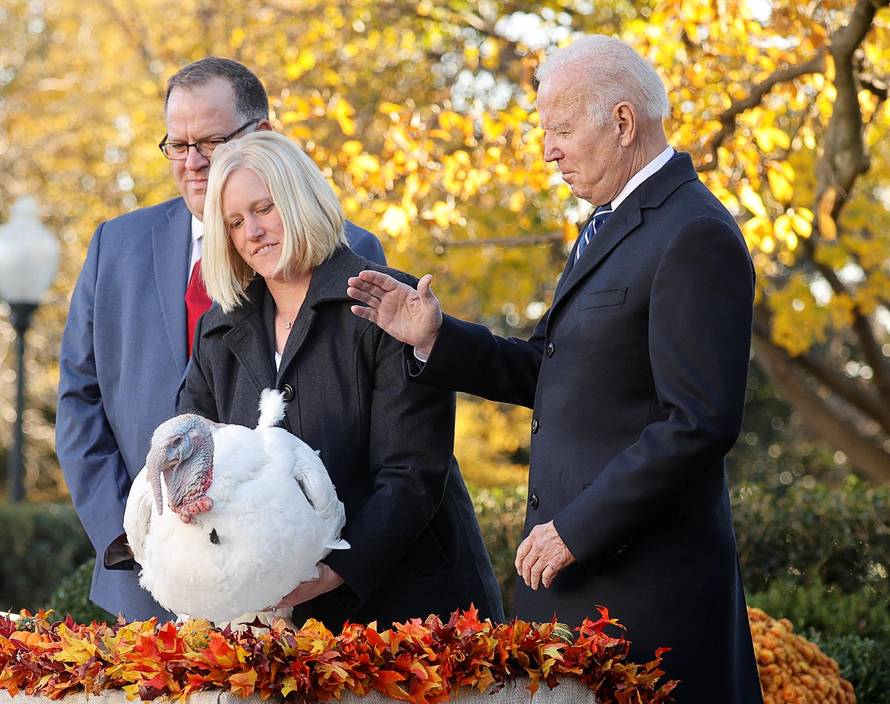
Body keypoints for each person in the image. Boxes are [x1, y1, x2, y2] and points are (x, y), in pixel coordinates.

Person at [347, 35, 762, 702]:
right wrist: (434, 336)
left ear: (622, 122)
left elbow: (700, 422)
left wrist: (577, 527)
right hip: (569, 601)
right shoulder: (605, 226)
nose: (548, 151)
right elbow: (549, 367)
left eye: (561, 130)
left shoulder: (693, 233)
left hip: (646, 606)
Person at [57, 57, 386, 622]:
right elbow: (79, 401)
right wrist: (133, 536)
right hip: (146, 578)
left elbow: (377, 442)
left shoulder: (346, 251)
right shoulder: (116, 245)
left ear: (261, 134)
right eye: (176, 145)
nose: (191, 163)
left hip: (294, 587)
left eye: (209, 142)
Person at [178, 130, 503, 627]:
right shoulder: (218, 331)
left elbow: (412, 472)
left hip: (410, 615)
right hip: (270, 616)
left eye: (264, 209)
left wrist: (336, 570)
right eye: (235, 222)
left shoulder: (386, 303)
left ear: (298, 199)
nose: (253, 232)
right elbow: (190, 444)